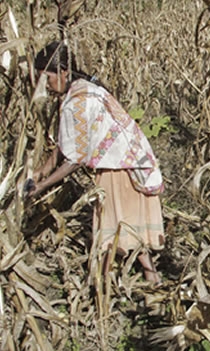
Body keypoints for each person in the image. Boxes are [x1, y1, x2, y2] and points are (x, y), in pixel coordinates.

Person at [27, 41, 165, 286]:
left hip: (117, 168)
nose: (44, 85)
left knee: (115, 226)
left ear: (64, 73)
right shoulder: (84, 89)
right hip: (131, 161)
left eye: (46, 77)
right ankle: (146, 277)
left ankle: (103, 285)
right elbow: (68, 142)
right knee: (127, 224)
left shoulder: (77, 102)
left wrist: (42, 185)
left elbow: (75, 159)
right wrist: (43, 169)